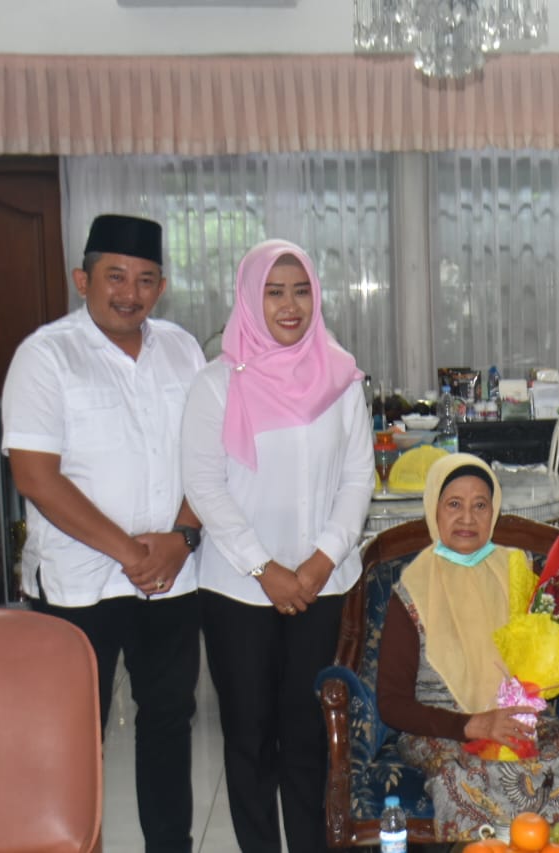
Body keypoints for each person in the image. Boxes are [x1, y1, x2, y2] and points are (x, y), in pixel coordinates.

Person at [1, 213, 206, 853]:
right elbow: (35, 476)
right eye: (115, 276)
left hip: (171, 579)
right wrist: (131, 553)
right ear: (82, 279)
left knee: (169, 721)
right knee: (71, 736)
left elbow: (210, 455)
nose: (130, 293)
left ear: (161, 287)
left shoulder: (182, 349)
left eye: (145, 280)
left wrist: (181, 537)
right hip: (77, 583)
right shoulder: (45, 355)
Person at [181, 239, 374, 852]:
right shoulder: (216, 384)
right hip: (238, 589)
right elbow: (204, 486)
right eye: (273, 292)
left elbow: (357, 478)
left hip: (322, 586)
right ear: (248, 298)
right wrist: (264, 568)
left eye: (301, 290)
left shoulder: (341, 378)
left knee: (310, 738)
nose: (290, 306)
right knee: (249, 739)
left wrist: (319, 562)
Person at [377, 452, 559, 839]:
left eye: (480, 505)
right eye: (454, 504)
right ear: (433, 509)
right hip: (442, 730)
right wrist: (472, 724)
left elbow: (555, 644)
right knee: (462, 781)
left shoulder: (517, 570)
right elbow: (391, 703)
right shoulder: (411, 589)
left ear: (493, 513)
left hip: (520, 721)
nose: (467, 518)